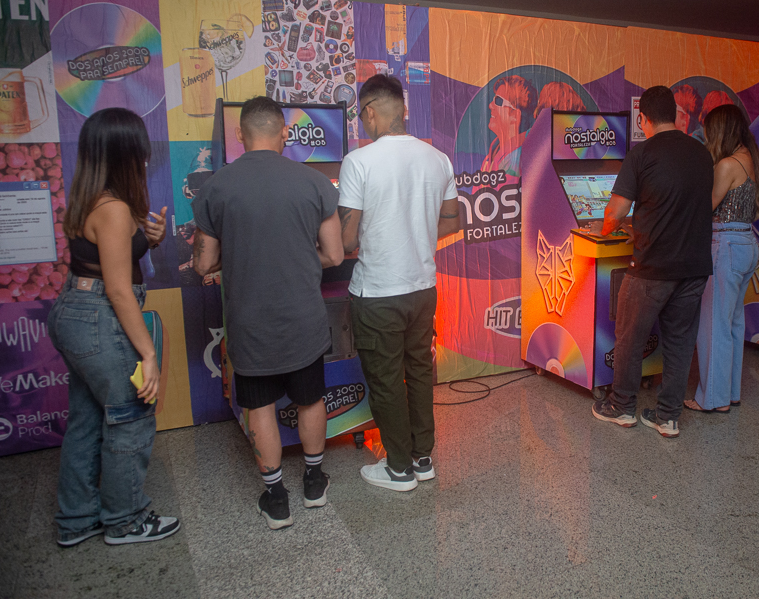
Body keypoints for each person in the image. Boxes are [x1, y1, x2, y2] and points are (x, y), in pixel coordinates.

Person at [192, 96, 344, 530]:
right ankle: (314, 482)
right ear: (285, 133)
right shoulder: (315, 182)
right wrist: (298, 256)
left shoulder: (216, 187)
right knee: (310, 398)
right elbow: (335, 254)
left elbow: (202, 263)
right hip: (304, 319)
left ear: (240, 134)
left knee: (259, 406)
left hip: (249, 323)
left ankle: (276, 498)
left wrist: (239, 257)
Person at [50, 107, 178, 547]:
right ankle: (125, 521)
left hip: (75, 312)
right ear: (124, 154)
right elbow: (119, 291)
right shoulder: (115, 209)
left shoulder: (89, 198)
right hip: (100, 318)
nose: (145, 159)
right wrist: (148, 354)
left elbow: (103, 259)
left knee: (87, 420)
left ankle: (77, 520)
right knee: (130, 418)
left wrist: (149, 240)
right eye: (140, 151)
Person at [338, 74, 459, 490]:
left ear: (370, 111)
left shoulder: (358, 162)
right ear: (402, 110)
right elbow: (452, 221)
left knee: (387, 379)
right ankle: (423, 459)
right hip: (423, 288)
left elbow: (347, 240)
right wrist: (414, 234)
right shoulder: (438, 159)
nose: (362, 124)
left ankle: (399, 468)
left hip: (378, 294)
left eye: (361, 116)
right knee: (420, 372)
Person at [590, 85, 714, 438]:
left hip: (652, 267)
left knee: (630, 338)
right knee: (680, 343)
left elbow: (615, 212)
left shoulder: (641, 154)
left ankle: (622, 406)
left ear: (642, 118)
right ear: (675, 115)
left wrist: (608, 227)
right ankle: (668, 416)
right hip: (694, 266)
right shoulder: (701, 153)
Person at [684, 105, 759, 413]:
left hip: (724, 245)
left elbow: (705, 207)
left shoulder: (726, 165)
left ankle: (713, 399)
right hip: (746, 243)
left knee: (713, 325)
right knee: (733, 323)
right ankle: (729, 392)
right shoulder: (751, 159)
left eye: (708, 130)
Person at [480, 75, 537, 177]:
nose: (490, 105)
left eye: (498, 101)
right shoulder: (489, 158)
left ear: (515, 116)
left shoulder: (524, 158)